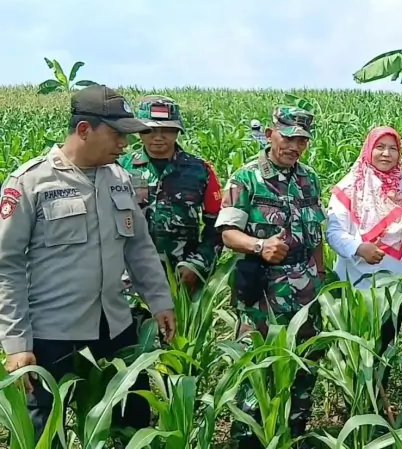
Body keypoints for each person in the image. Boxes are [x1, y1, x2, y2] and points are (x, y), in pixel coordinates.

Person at [0, 85, 177, 442]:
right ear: (84, 130)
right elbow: (7, 266)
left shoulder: (121, 180)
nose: (124, 145)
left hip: (114, 326)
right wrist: (17, 344)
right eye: (116, 134)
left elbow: (139, 248)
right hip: (52, 334)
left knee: (133, 422)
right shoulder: (30, 183)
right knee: (44, 433)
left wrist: (160, 301)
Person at [215, 105, 325, 446]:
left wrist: (320, 275)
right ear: (269, 134)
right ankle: (249, 437)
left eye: (301, 140)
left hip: (306, 292)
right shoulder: (246, 177)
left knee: (305, 364)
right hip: (264, 293)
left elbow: (316, 234)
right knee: (257, 368)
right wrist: (260, 245)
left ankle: (293, 433)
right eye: (287, 137)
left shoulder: (309, 178)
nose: (294, 146)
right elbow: (228, 232)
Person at [326, 126, 402, 388]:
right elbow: (334, 231)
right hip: (354, 282)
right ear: (369, 149)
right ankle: (354, 402)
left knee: (384, 343)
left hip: (394, 283)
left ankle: (377, 402)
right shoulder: (349, 187)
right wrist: (359, 248)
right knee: (353, 346)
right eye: (380, 147)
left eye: (393, 148)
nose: (386, 153)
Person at [118, 95, 223, 308]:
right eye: (150, 130)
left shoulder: (201, 171)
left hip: (183, 277)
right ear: (139, 132)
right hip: (129, 277)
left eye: (166, 130)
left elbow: (219, 225)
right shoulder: (120, 168)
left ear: (177, 131)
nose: (158, 137)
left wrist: (198, 264)